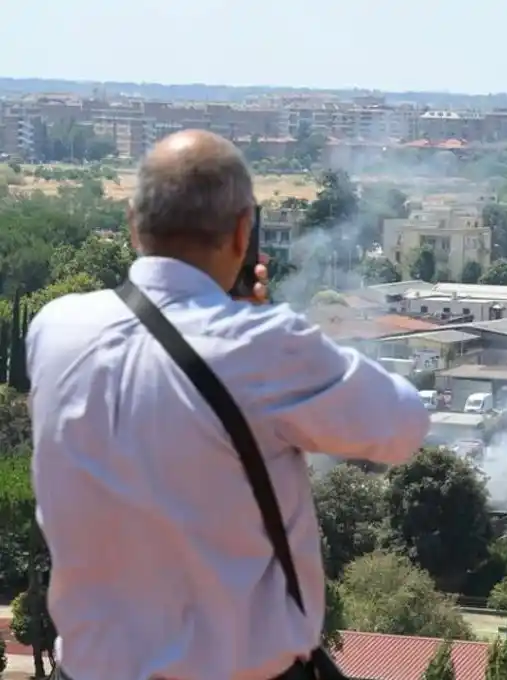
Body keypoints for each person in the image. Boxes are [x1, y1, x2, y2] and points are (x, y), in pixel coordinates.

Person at [26, 130, 431, 680]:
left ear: (132, 223)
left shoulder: (54, 328)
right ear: (244, 231)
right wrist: (255, 322)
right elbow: (404, 424)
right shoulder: (263, 348)